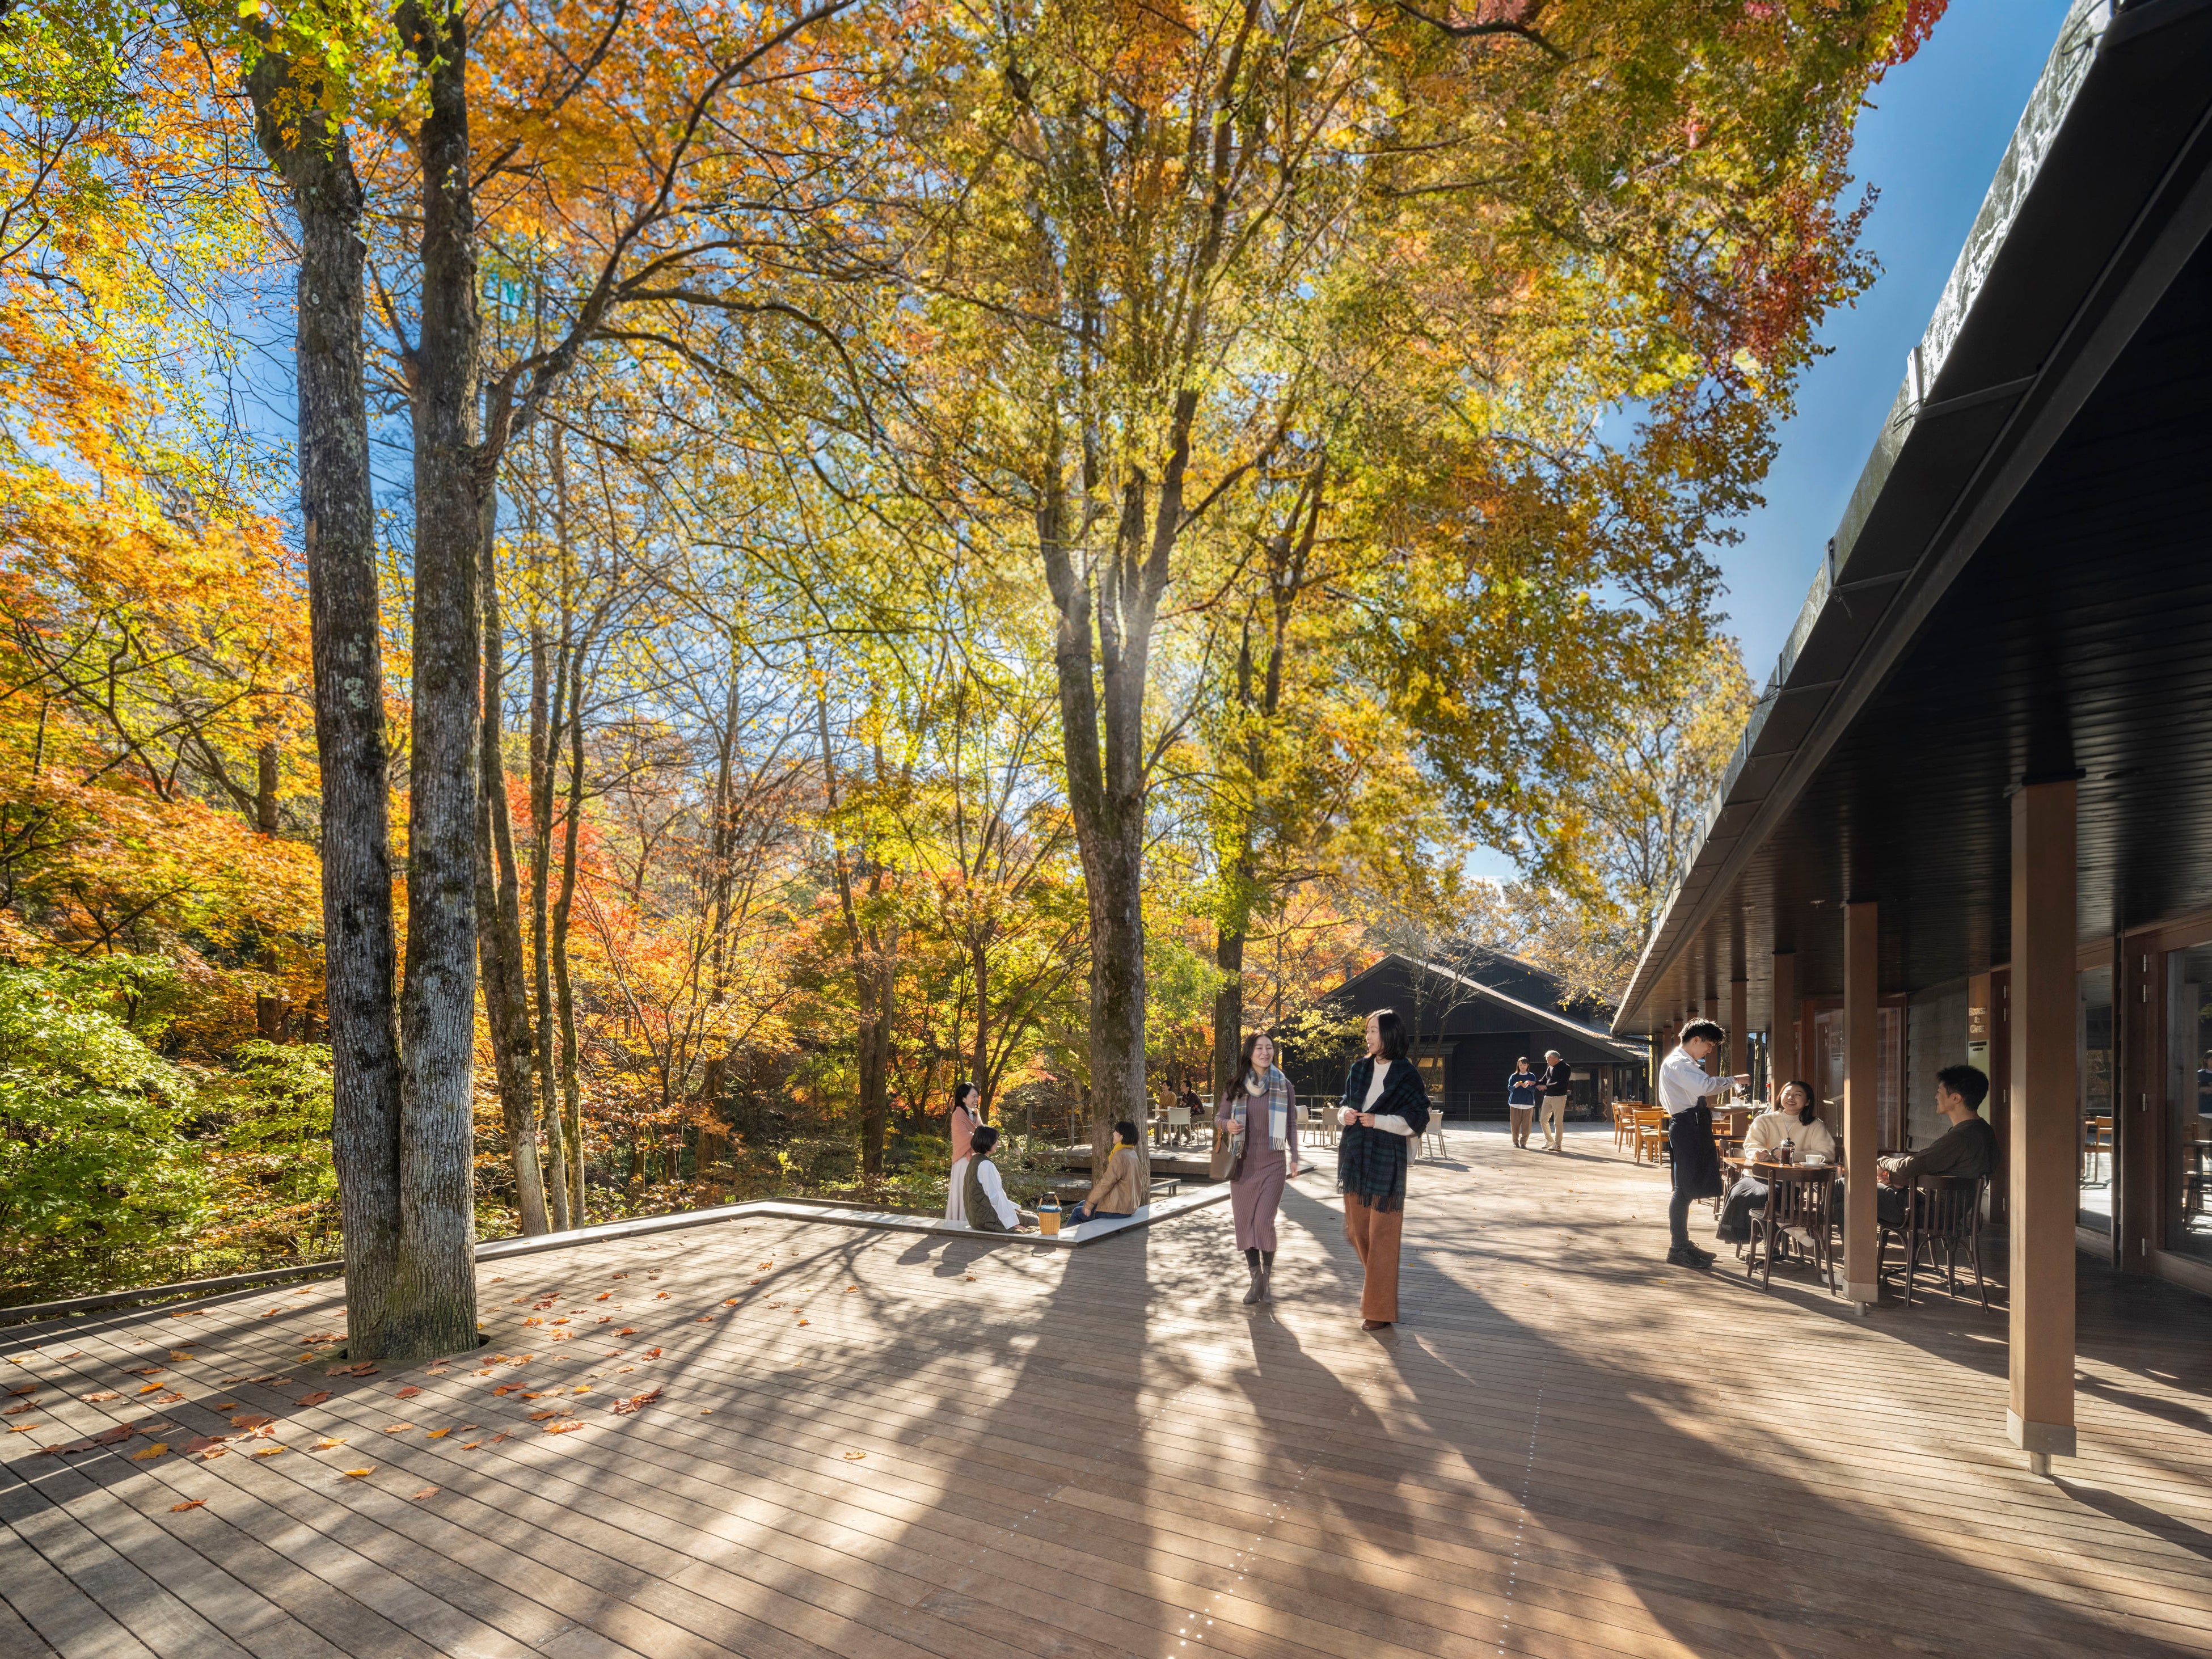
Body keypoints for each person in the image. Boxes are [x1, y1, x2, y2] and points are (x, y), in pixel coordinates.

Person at [1337, 1008, 1430, 1331]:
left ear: (1388, 1033)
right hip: (1354, 1157)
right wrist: (1345, 1114)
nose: (1367, 1036)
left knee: (1384, 1237)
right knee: (1357, 1231)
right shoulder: (1359, 1068)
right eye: (1367, 1030)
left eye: (1373, 1030)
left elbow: (1418, 1119)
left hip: (1387, 1161)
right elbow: (1345, 1102)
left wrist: (1380, 1121)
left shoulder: (1407, 1074)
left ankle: (1378, 1310)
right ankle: (1379, 1288)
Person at [1851, 1064, 1995, 1236]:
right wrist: (1897, 1179)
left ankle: (1856, 1258)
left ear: (1956, 1098)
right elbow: (1937, 1166)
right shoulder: (1985, 1132)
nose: (1936, 1097)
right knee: (1844, 1201)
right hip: (1952, 1212)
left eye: (1939, 1092)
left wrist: (1882, 1162)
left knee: (1846, 1187)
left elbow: (1911, 1166)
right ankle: (1856, 1256)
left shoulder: (1961, 1137)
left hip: (1928, 1212)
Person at [1658, 1019, 1751, 1268]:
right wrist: (1735, 1079)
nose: (1710, 1051)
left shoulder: (1685, 1064)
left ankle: (1683, 1244)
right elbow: (1705, 1087)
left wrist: (1723, 1114)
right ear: (1696, 1039)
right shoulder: (1678, 1063)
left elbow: (1693, 1103)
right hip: (1688, 1128)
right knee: (1683, 1190)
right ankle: (1678, 1248)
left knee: (1686, 1189)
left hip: (1693, 1124)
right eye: (1709, 1045)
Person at [1217, 1031, 1298, 1304]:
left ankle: (1267, 1274)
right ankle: (1256, 1279)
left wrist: (1295, 1155)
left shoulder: (1283, 1084)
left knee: (1264, 1221)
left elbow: (1291, 1125)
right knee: (1245, 1223)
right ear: (1249, 1053)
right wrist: (1226, 1125)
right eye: (1260, 1048)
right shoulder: (1235, 1085)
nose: (1266, 1052)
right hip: (1242, 1165)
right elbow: (1219, 1117)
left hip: (1274, 1163)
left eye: (1270, 1048)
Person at [1715, 1080, 1837, 1245]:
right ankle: (1769, 1235)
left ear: (1807, 1101)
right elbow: (1751, 1146)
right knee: (1740, 1193)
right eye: (1787, 1094)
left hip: (1793, 1180)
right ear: (1780, 1098)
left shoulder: (1815, 1125)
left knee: (1769, 1195)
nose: (1791, 1098)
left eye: (1798, 1095)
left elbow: (1827, 1154)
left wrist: (1792, 1155)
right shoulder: (1764, 1120)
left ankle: (1772, 1242)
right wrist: (1758, 1154)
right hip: (1757, 1175)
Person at [959, 1125, 1036, 1234]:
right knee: (1034, 1220)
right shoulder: (986, 1165)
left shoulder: (975, 1161)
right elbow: (995, 1197)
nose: (998, 1144)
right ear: (987, 1142)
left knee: (1028, 1214)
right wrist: (1012, 1223)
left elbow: (988, 1196)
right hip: (987, 1220)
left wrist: (1013, 1208)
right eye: (996, 1141)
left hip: (976, 1218)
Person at [1068, 1121, 1143, 1225]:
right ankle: (1087, 1236)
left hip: (1120, 1209)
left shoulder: (1120, 1155)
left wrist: (1090, 1203)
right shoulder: (1132, 1153)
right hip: (1128, 1204)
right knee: (1082, 1204)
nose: (1113, 1134)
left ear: (1122, 1136)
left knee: (1077, 1213)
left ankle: (1066, 1241)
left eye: (1116, 1132)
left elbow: (1107, 1183)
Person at [944, 1083, 984, 1222]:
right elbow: (964, 1136)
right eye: (973, 1096)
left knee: (974, 1191)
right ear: (963, 1099)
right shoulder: (958, 1115)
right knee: (963, 1191)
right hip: (963, 1159)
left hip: (974, 1160)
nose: (976, 1099)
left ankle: (973, 1221)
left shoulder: (975, 1114)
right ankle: (960, 1222)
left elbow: (980, 1132)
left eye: (977, 1097)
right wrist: (982, 1136)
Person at [1539, 1050, 1573, 1152]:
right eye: (1547, 1060)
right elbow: (1543, 1080)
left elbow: (1562, 1083)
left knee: (1558, 1122)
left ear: (1556, 1059)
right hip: (1548, 1097)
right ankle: (1549, 1140)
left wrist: (1546, 1086)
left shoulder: (1566, 1068)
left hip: (1559, 1097)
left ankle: (1558, 1144)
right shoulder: (1550, 1067)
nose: (1548, 1062)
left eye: (1549, 1059)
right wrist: (1534, 1083)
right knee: (1543, 1119)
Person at [1506, 1057, 1540, 1149]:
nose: (1522, 1066)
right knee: (1515, 1124)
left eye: (1524, 1064)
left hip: (1528, 1103)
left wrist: (1526, 1087)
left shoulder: (1532, 1076)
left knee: (1527, 1125)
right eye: (1521, 1064)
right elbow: (1509, 1088)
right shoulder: (1514, 1076)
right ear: (1518, 1065)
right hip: (1515, 1103)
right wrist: (1515, 1086)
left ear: (1528, 1065)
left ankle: (1524, 1142)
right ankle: (1515, 1142)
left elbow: (1534, 1089)